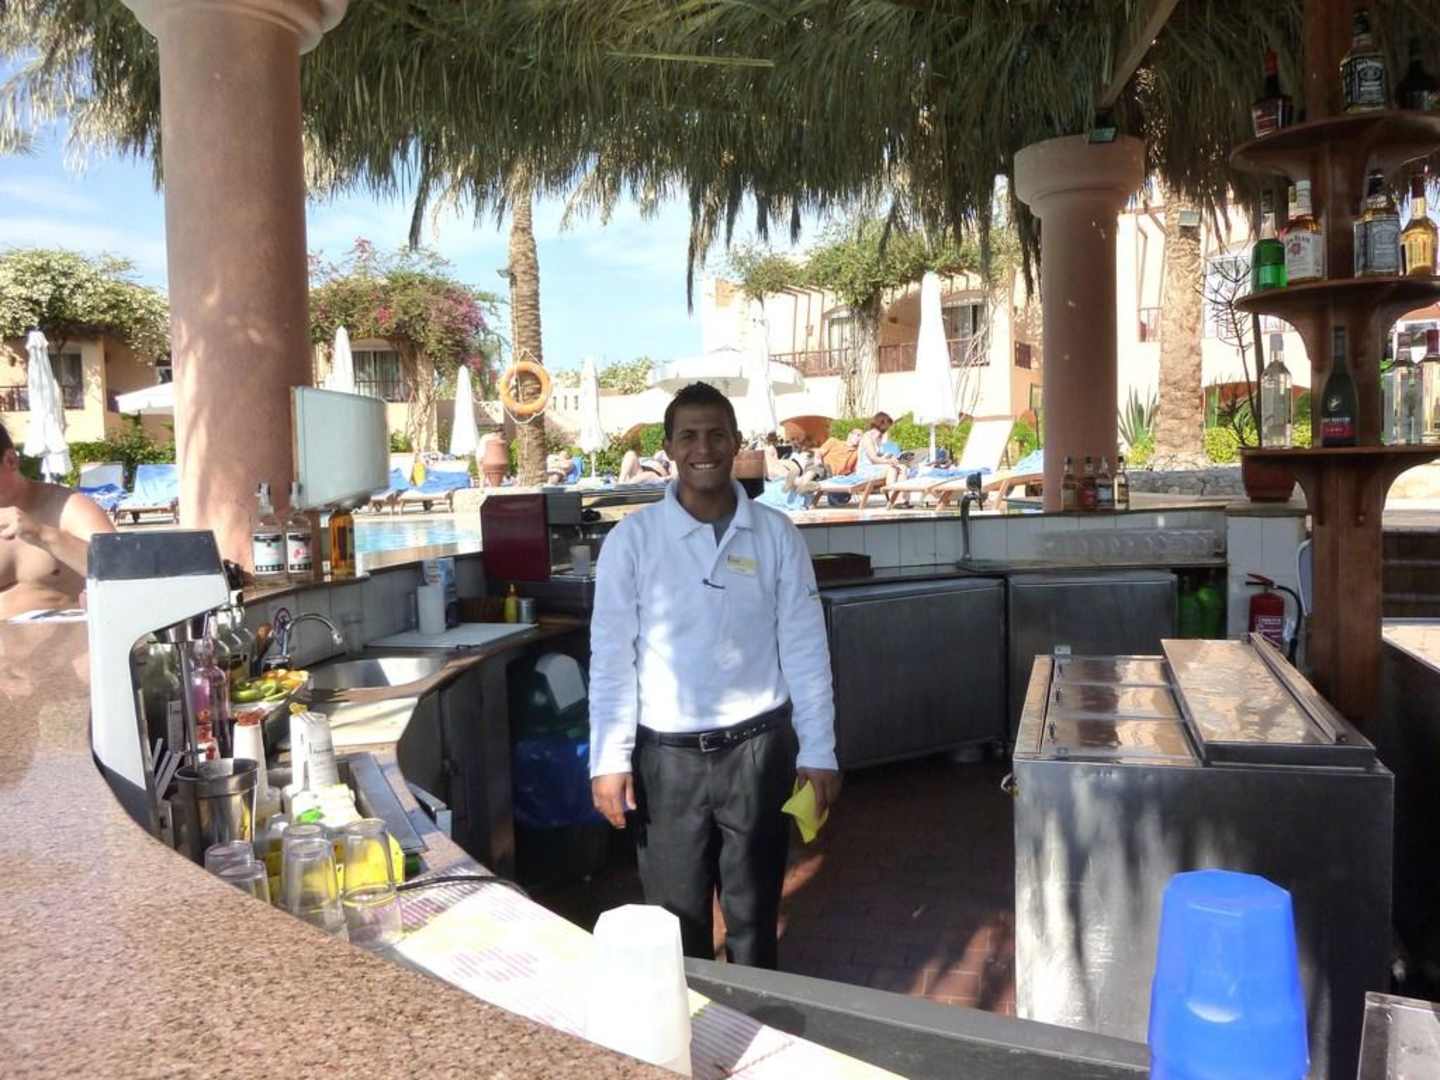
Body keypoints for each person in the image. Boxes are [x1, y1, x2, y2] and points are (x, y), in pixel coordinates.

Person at [589, 382, 840, 969]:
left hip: (759, 752)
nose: (703, 449)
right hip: (666, 761)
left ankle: (755, 1020)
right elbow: (611, 657)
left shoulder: (776, 534)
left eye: (716, 435)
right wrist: (608, 760)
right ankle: (693, 1024)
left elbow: (805, 648)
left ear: (735, 442)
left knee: (755, 920)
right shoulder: (632, 541)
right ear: (669, 448)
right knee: (676, 928)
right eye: (689, 436)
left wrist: (819, 750)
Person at [0, 421, 116, 619]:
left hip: (64, 635)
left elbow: (121, 569)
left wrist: (42, 533)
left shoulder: (69, 507)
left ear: (10, 460)